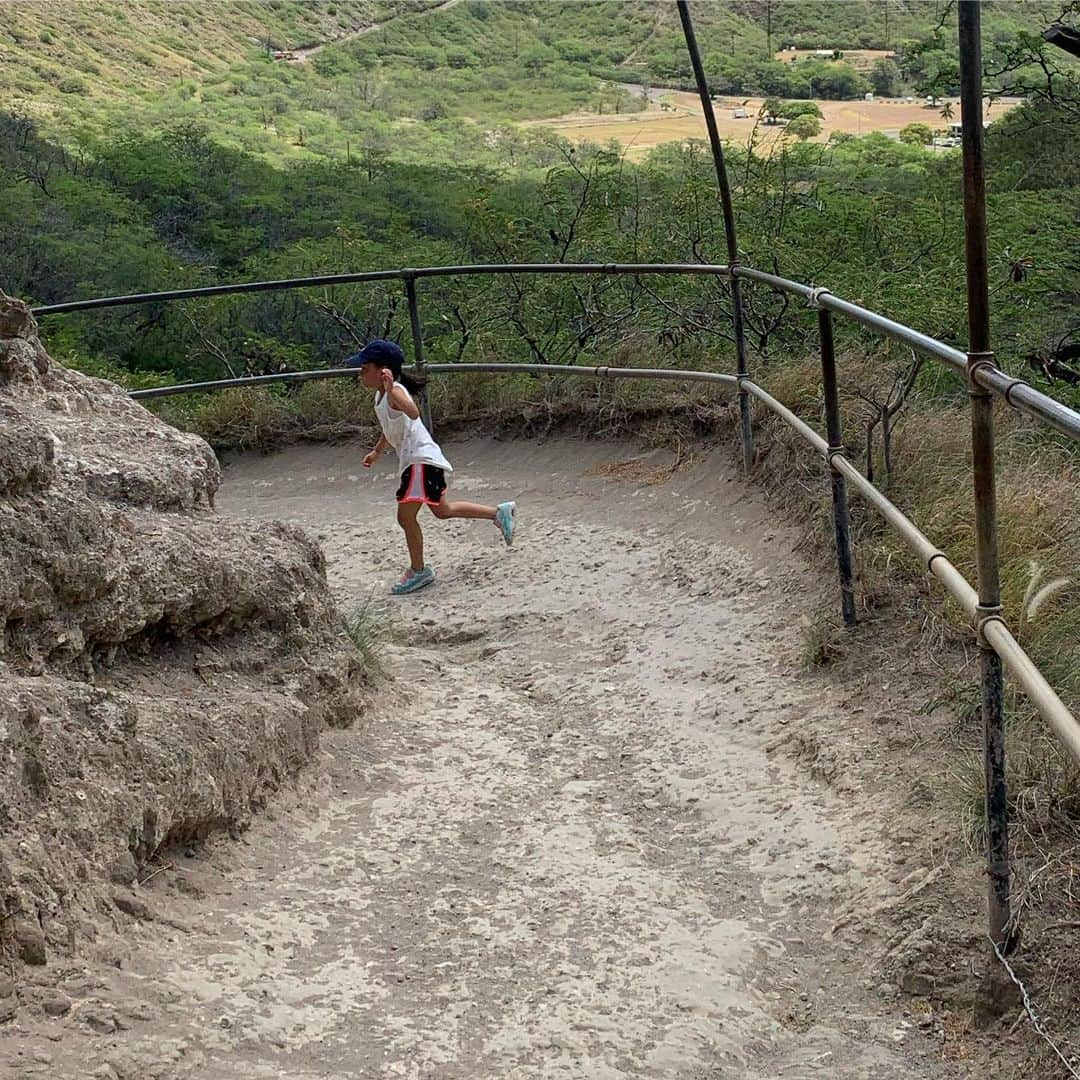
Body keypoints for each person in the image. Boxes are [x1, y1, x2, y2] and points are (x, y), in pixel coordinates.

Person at [349, 340, 516, 595]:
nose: (360, 373)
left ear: (383, 370)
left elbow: (413, 412)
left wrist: (392, 388)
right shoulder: (380, 397)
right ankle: (498, 513)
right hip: (418, 462)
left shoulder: (396, 392)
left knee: (405, 517)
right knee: (443, 510)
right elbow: (390, 427)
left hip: (420, 462)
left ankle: (419, 571)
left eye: (364, 368)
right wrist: (377, 451)